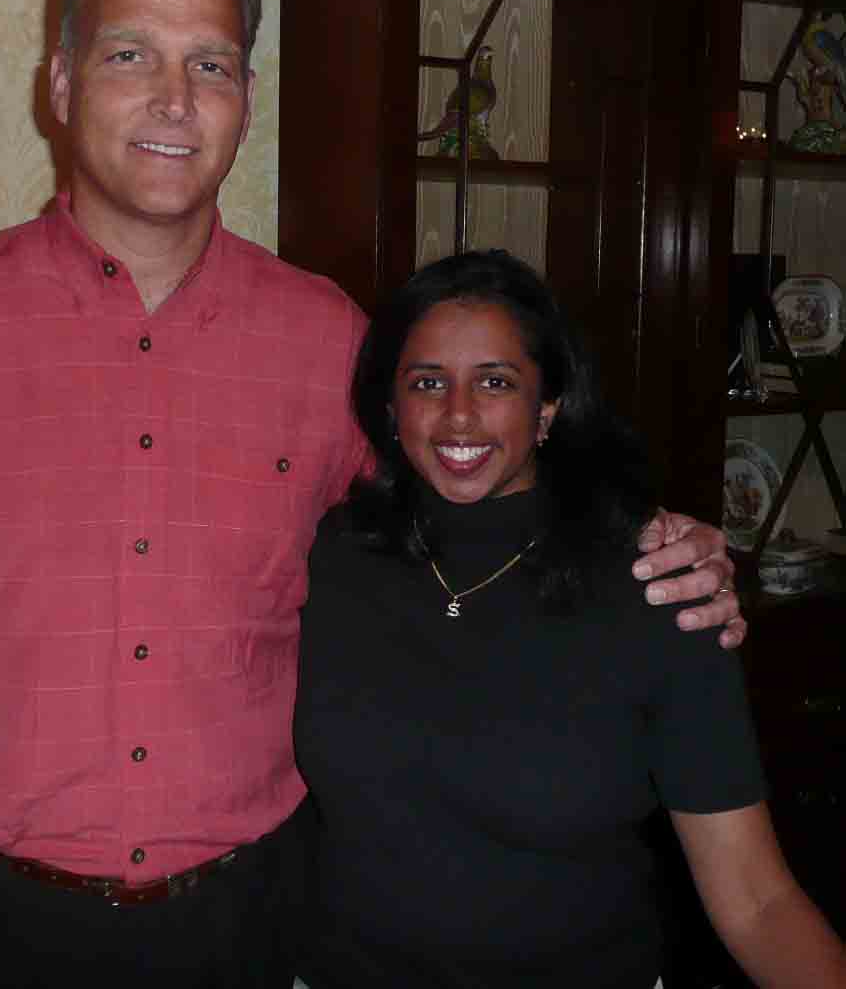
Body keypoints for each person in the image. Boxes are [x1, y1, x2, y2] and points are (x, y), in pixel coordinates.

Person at [0, 0, 740, 988]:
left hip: (250, 923)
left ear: (245, 100)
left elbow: (469, 515)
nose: (174, 99)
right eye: (130, 54)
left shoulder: (329, 342)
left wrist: (644, 546)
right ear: (62, 84)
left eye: (211, 64)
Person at [293, 249, 845, 989]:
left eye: (496, 381)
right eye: (427, 381)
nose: (459, 413)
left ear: (547, 406)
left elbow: (756, 900)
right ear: (391, 408)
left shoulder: (659, 587)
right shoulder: (334, 556)